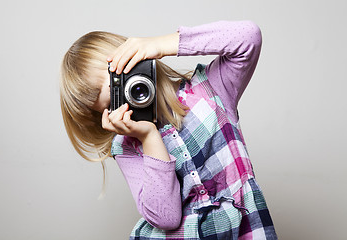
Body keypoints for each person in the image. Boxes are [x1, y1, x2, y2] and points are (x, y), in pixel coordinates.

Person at [60, 20, 278, 240]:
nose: (128, 98)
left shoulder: (211, 89)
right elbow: (166, 218)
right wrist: (148, 136)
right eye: (112, 104)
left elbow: (248, 36)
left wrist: (161, 45)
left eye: (123, 83)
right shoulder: (127, 145)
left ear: (135, 60)